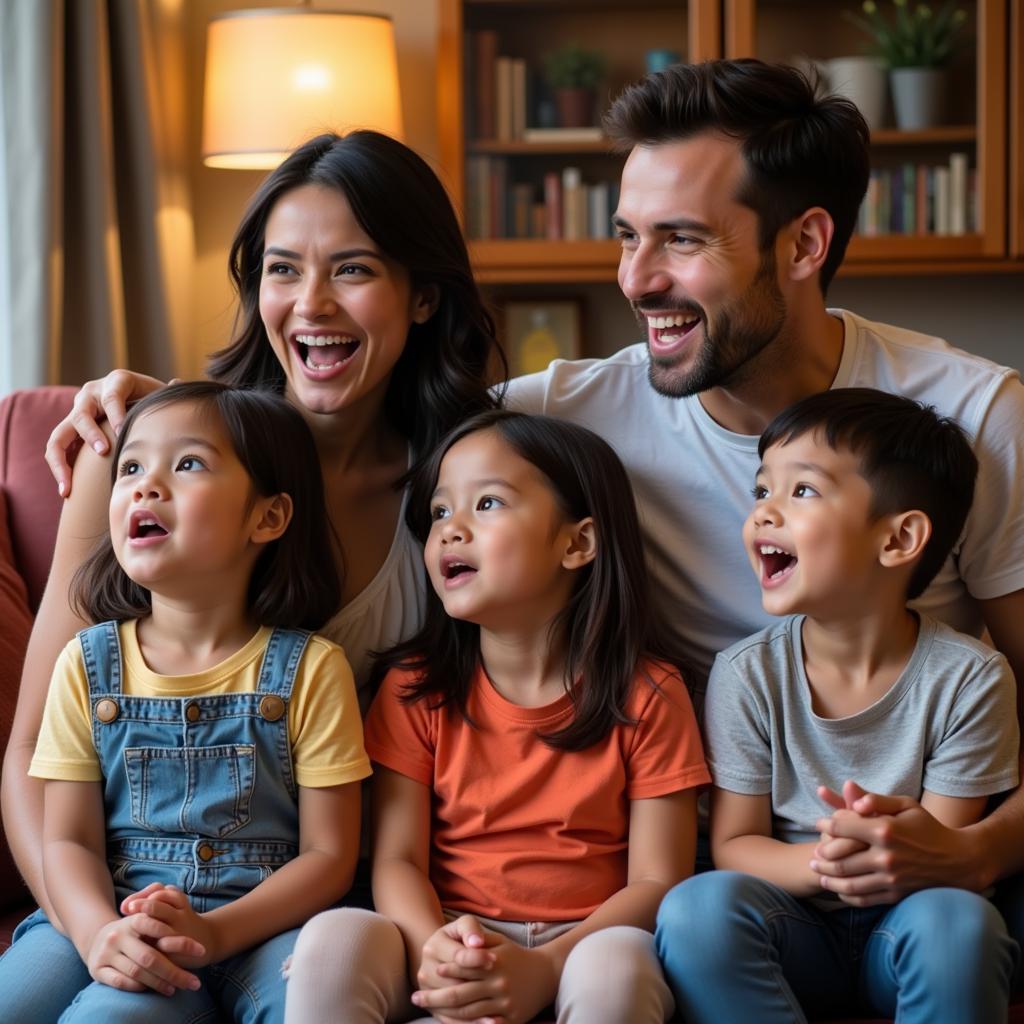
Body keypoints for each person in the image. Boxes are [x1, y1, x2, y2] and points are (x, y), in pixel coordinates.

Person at [502, 59, 1024, 909]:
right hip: (700, 867)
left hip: (932, 852)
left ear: (804, 245)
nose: (636, 280)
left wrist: (972, 856)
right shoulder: (569, 412)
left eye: (682, 238)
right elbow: (380, 432)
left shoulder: (975, 413)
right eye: (628, 235)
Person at [2, 132, 502, 1019]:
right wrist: (94, 935)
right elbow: (33, 759)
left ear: (423, 296)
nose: (311, 304)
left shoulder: (468, 486)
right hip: (106, 901)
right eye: (281, 269)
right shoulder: (136, 457)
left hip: (298, 904)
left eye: (352, 269)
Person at [283, 410, 710, 1024]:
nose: (451, 530)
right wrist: (431, 945)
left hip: (584, 946)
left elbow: (654, 883)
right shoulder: (414, 688)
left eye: (487, 504)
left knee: (616, 964)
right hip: (448, 935)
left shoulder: (648, 693)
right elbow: (397, 860)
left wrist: (547, 967)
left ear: (578, 543)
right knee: (334, 937)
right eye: (438, 512)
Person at [0, 381, 371, 1022]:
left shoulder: (311, 668)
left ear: (269, 517)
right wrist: (96, 937)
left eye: (189, 463)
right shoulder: (87, 665)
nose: (146, 485)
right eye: (132, 467)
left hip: (262, 926)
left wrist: (217, 933)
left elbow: (330, 856)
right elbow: (68, 843)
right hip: (108, 910)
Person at [657, 388, 1019, 1022]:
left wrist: (886, 850)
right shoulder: (747, 674)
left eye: (801, 492)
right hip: (792, 930)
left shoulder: (970, 678)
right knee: (696, 910)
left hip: (909, 924)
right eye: (761, 491)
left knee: (959, 922)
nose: (764, 513)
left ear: (899, 537)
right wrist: (829, 863)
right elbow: (738, 842)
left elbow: (942, 850)